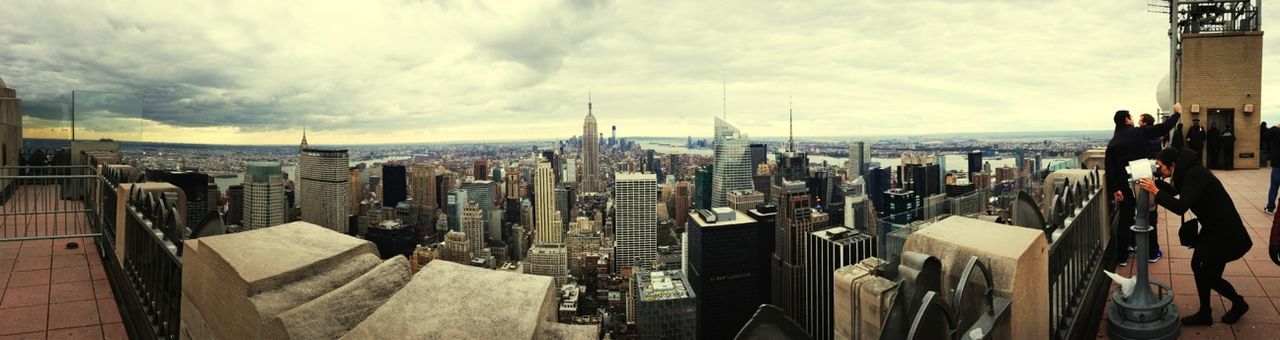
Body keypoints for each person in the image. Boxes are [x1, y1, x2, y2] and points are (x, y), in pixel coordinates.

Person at [1138, 147, 1251, 326]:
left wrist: (1156, 191)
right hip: (1213, 227)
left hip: (1224, 231)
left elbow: (1180, 206)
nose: (1159, 170)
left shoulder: (1195, 175)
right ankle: (1205, 312)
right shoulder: (1187, 172)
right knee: (1200, 267)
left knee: (1209, 274)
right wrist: (1156, 183)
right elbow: (1175, 191)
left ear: (1172, 165)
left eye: (1160, 167)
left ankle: (1238, 303)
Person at [1107, 105, 1179, 266]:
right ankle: (1151, 252)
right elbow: (1164, 128)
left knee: (1125, 220)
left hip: (1123, 185)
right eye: (1131, 117)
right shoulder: (1138, 133)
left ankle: (1122, 256)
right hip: (1142, 181)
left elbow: (1110, 168)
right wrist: (1177, 114)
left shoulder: (1113, 141)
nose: (1133, 120)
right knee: (1148, 217)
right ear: (1127, 120)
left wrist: (1115, 189)